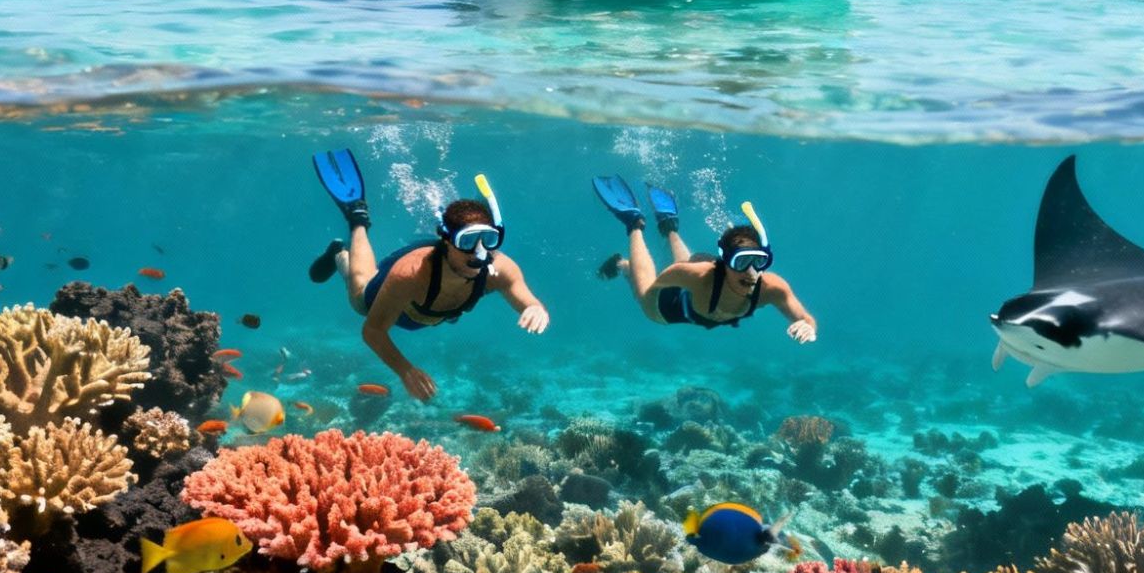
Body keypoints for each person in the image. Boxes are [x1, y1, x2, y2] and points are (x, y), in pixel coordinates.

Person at [308, 149, 550, 401]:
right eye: (467, 241)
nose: (478, 252)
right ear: (446, 241)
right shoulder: (410, 274)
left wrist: (535, 308)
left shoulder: (498, 268)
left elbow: (526, 299)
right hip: (408, 290)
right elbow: (373, 331)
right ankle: (355, 222)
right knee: (360, 299)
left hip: (433, 309)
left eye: (488, 239)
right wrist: (405, 370)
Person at [591, 176, 817, 342]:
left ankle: (669, 227)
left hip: (697, 284)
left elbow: (806, 317)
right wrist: (643, 289)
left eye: (757, 262)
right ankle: (634, 224)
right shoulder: (696, 274)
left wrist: (809, 327)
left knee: (691, 263)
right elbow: (656, 285)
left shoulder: (773, 287)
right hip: (672, 306)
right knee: (646, 301)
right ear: (724, 263)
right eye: (740, 262)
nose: (750, 273)